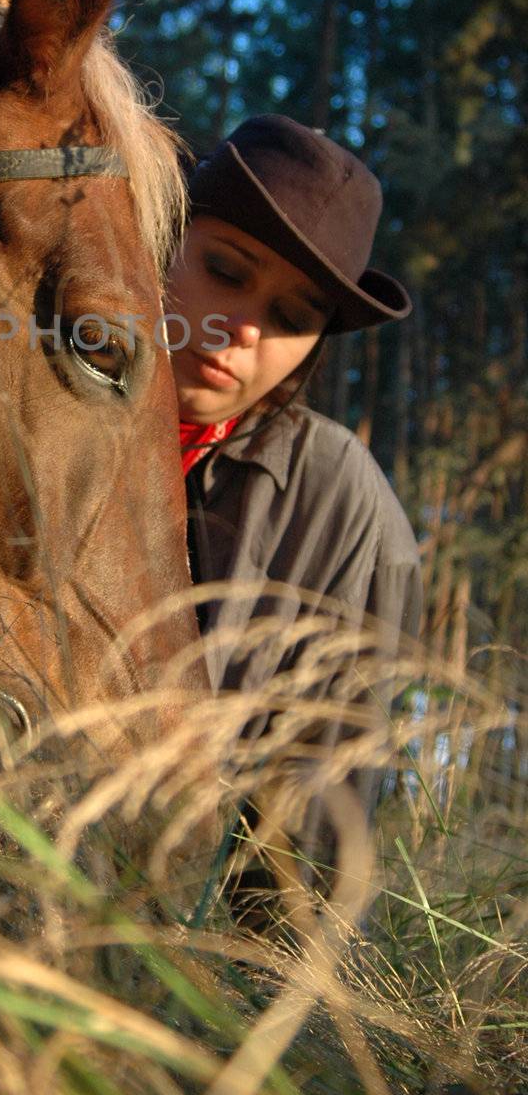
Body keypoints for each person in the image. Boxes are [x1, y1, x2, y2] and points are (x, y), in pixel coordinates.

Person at [164, 114, 423, 894]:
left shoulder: (347, 515)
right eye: (227, 270)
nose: (243, 329)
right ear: (162, 236)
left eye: (291, 318)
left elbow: (304, 864)